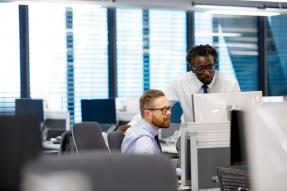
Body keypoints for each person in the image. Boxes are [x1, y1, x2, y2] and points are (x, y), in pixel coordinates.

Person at [121, 89, 171, 154]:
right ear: (147, 114)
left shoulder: (138, 128)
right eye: (163, 109)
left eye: (169, 108)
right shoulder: (145, 146)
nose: (169, 113)